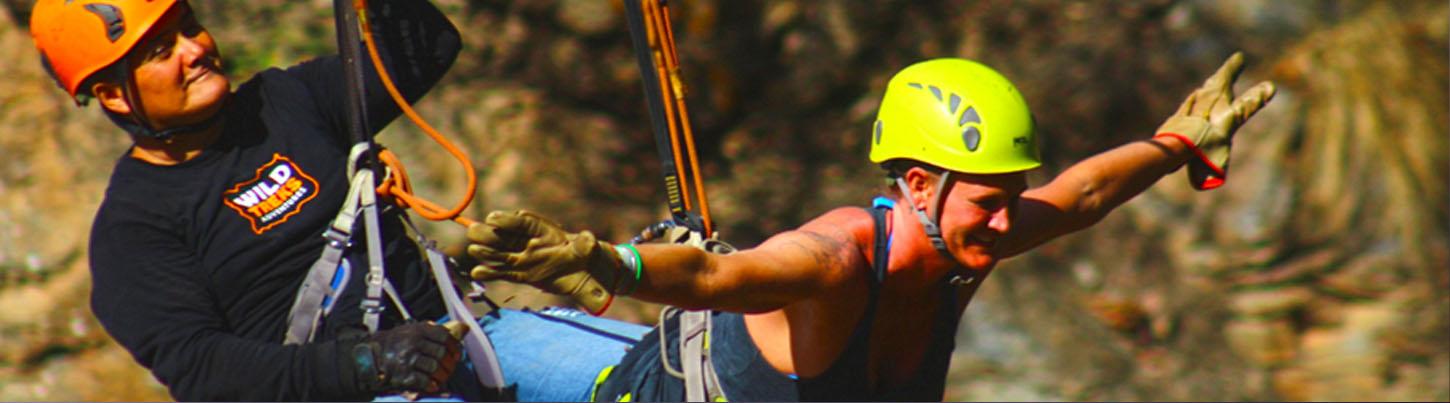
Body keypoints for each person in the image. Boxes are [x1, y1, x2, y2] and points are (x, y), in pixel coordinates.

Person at [464, 54, 1276, 401]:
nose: (1006, 218)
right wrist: (608, 263)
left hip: (664, 365)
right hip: (631, 390)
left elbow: (1083, 195)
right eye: (988, 198)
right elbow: (715, 277)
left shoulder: (968, 239)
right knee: (436, 346)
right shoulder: (843, 255)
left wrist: (1175, 144)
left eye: (1009, 195)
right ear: (917, 183)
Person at [29, 0, 488, 400]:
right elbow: (203, 370)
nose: (195, 51)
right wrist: (367, 364)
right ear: (115, 96)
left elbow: (425, 50)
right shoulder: (133, 230)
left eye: (189, 27)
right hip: (357, 392)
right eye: (162, 51)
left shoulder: (286, 102)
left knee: (562, 365)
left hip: (461, 336)